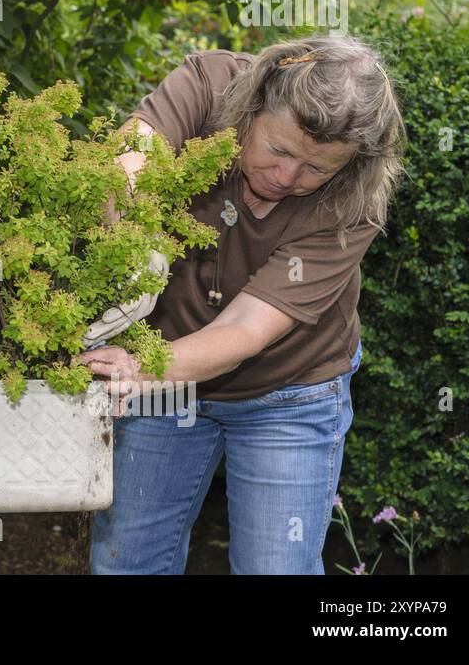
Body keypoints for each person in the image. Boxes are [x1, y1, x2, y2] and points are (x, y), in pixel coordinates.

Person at [75, 34, 405, 574]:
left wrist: (139, 367)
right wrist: (132, 226)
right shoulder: (209, 85)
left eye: (316, 169)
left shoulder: (354, 204)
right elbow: (132, 152)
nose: (288, 178)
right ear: (254, 105)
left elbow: (247, 329)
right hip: (165, 383)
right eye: (279, 150)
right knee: (127, 562)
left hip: (289, 395)